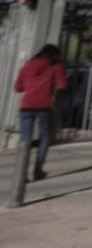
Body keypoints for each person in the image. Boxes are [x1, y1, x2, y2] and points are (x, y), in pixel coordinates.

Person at [13, 44, 68, 181]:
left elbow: (18, 88)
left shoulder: (27, 66)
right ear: (55, 55)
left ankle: (22, 174)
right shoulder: (56, 66)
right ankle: (38, 171)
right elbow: (62, 86)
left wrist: (31, 86)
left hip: (26, 106)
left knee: (25, 139)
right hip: (44, 106)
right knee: (45, 137)